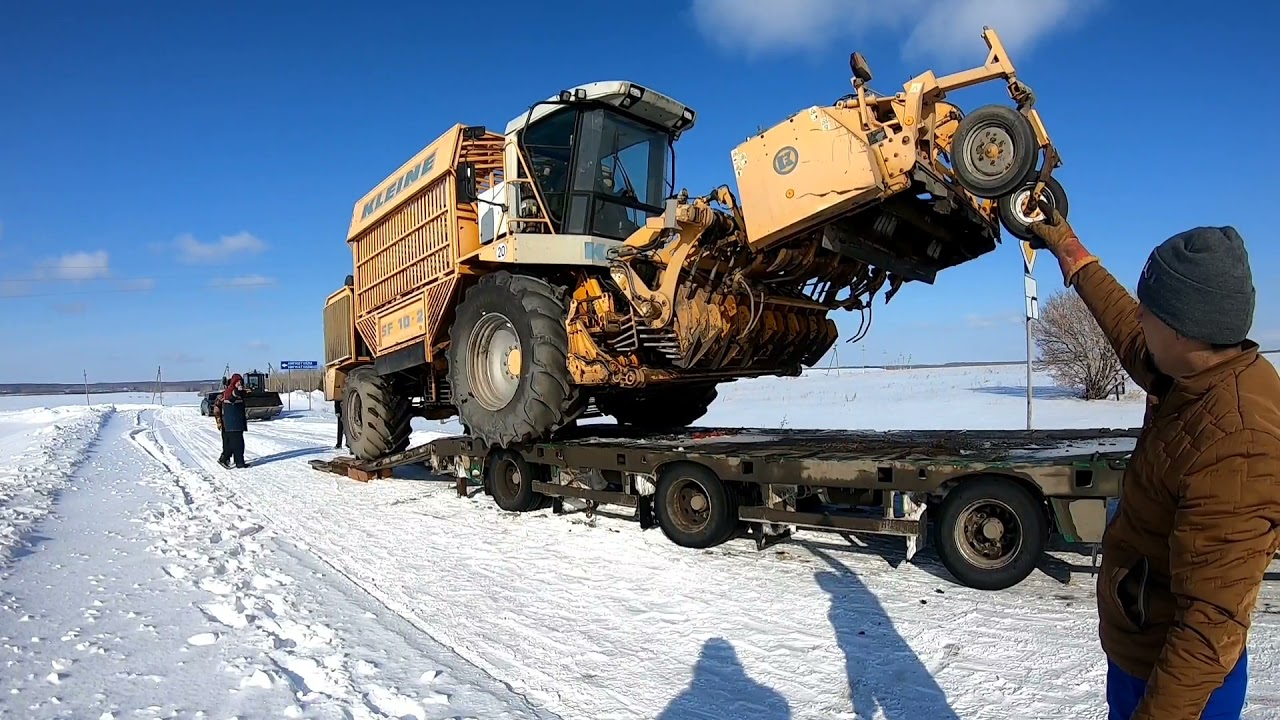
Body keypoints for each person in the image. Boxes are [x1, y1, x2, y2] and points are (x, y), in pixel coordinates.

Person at [1028, 206, 1280, 720]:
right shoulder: (1196, 371)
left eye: (1152, 311)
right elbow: (1125, 325)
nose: (1140, 319)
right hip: (1142, 653)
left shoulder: (1239, 445)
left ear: (1186, 329)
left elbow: (1210, 626)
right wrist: (1069, 249)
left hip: (1178, 687)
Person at [213, 373, 250, 469]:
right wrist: (219, 422)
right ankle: (225, 459)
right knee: (230, 444)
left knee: (238, 443)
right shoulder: (228, 393)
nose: (239, 384)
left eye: (240, 382)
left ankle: (239, 461)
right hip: (228, 424)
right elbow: (231, 397)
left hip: (237, 423)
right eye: (237, 382)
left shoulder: (239, 393)